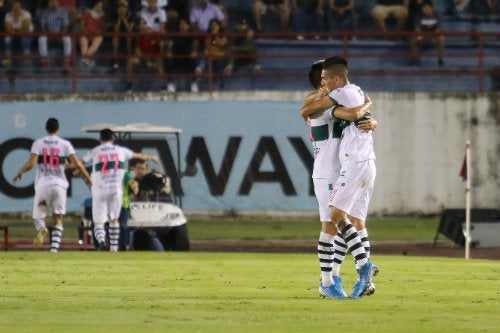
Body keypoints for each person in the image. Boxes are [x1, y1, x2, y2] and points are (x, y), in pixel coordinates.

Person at [300, 56, 378, 299]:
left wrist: (372, 122)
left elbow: (357, 120)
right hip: (326, 171)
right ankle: (329, 279)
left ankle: (340, 276)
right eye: (322, 79)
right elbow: (352, 114)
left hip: (344, 167)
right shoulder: (321, 105)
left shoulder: (333, 98)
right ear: (321, 85)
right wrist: (367, 107)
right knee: (330, 225)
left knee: (350, 222)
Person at [12, 118, 92, 252]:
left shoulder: (39, 143)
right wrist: (87, 177)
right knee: (58, 217)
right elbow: (77, 164)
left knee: (38, 216)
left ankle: (42, 229)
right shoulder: (65, 144)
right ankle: (54, 249)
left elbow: (31, 164)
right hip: (59, 185)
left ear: (46, 129)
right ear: (58, 129)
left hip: (43, 184)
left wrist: (20, 171)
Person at [82, 128, 158, 252]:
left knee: (98, 223)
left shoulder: (95, 152)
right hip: (116, 192)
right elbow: (137, 156)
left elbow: (80, 163)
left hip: (100, 191)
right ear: (113, 140)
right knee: (115, 221)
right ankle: (114, 248)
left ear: (100, 140)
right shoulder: (121, 152)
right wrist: (150, 157)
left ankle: (101, 242)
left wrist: (81, 173)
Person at [125, 0, 167, 92]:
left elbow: (161, 44)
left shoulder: (156, 36)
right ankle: (129, 86)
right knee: (130, 61)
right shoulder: (141, 36)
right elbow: (137, 50)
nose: (147, 29)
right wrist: (145, 58)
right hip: (143, 58)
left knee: (160, 63)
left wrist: (155, 57)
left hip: (153, 58)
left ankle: (163, 87)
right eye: (145, 27)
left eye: (153, 2)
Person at [165, 16, 200, 93]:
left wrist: (194, 52)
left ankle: (194, 84)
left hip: (188, 58)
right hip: (177, 58)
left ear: (188, 26)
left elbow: (195, 46)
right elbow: (169, 46)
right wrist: (169, 52)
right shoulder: (175, 36)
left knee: (194, 61)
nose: (182, 26)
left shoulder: (191, 36)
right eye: (181, 24)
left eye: (184, 24)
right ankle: (170, 84)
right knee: (168, 61)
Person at [37, 0, 72, 68]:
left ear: (58, 3)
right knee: (41, 39)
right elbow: (42, 27)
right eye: (51, 2)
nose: (53, 3)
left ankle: (66, 61)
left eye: (55, 2)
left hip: (60, 33)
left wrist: (59, 35)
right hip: (48, 33)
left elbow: (65, 26)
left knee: (67, 38)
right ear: (48, 3)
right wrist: (49, 35)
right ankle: (45, 61)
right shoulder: (44, 12)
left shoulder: (63, 12)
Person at [409, 1, 445, 67]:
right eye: (423, 8)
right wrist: (424, 37)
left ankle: (440, 59)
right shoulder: (418, 15)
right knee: (413, 40)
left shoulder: (437, 15)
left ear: (431, 8)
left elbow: (438, 29)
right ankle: (414, 60)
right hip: (422, 36)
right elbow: (417, 29)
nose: (424, 10)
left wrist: (431, 37)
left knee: (441, 39)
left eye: (426, 8)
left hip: (433, 37)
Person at [198, 18, 228, 90]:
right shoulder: (207, 35)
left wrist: (215, 35)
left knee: (219, 66)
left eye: (216, 25)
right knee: (205, 59)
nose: (214, 27)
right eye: (212, 25)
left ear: (219, 26)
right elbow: (206, 46)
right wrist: (211, 36)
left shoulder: (223, 35)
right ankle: (199, 69)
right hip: (209, 57)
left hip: (219, 57)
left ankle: (222, 86)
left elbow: (221, 44)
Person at [3, 0, 33, 68]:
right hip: (14, 33)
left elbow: (26, 28)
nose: (16, 8)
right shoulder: (8, 15)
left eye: (18, 6)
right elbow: (8, 29)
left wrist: (15, 30)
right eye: (14, 7)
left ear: (21, 7)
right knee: (7, 39)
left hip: (26, 33)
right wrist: (18, 30)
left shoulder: (26, 14)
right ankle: (8, 59)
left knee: (25, 41)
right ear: (12, 8)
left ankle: (27, 59)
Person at [79, 0, 106, 67]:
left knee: (98, 41)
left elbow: (102, 28)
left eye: (101, 6)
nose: (99, 7)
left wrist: (96, 33)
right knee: (84, 43)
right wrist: (86, 32)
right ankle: (87, 60)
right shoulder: (87, 13)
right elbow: (81, 25)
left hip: (96, 35)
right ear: (94, 5)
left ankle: (85, 58)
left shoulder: (103, 16)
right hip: (86, 33)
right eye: (98, 6)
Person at [118, 168, 139, 250]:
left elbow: (132, 183)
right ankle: (100, 245)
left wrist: (134, 188)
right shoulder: (106, 170)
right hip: (109, 203)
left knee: (122, 226)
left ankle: (122, 247)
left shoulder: (124, 172)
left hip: (123, 204)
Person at [110, 0, 134, 69]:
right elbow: (116, 29)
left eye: (123, 7)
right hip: (118, 32)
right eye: (120, 7)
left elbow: (129, 29)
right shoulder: (114, 14)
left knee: (129, 37)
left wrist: (123, 17)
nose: (121, 8)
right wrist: (120, 17)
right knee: (115, 38)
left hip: (127, 32)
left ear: (127, 8)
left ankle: (129, 57)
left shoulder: (131, 14)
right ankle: (114, 59)